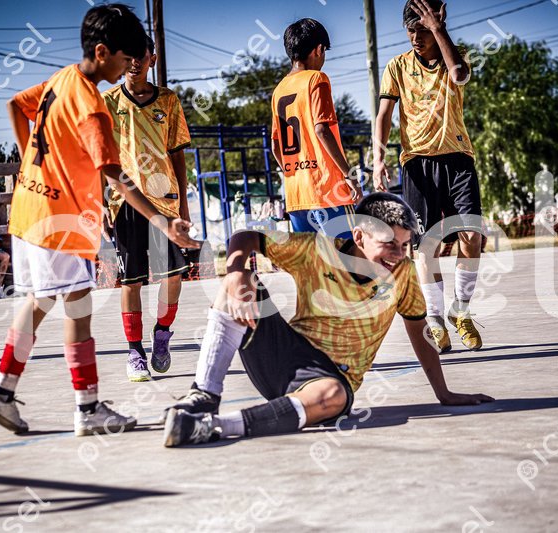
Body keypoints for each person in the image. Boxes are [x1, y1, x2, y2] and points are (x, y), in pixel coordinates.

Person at [0, 4, 200, 437]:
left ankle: (3, 392)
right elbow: (116, 175)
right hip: (62, 217)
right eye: (124, 58)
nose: (127, 67)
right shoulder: (95, 105)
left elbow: (15, 105)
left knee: (39, 302)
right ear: (103, 52)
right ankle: (87, 407)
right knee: (77, 308)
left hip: (29, 207)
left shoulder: (61, 79)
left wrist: (31, 163)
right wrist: (163, 222)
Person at [162, 192, 492, 447]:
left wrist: (443, 393)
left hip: (330, 379)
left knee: (334, 395)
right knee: (241, 283)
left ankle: (209, 427)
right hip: (285, 356)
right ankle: (204, 395)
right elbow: (247, 236)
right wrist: (235, 272)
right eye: (389, 244)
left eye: (405, 245)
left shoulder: (403, 273)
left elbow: (419, 332)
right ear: (359, 237)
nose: (398, 254)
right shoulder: (316, 250)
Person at [373, 0, 484, 352]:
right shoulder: (397, 66)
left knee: (472, 236)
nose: (415, 37)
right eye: (410, 30)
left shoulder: (457, 56)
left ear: (438, 24)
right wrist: (378, 158)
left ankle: (461, 311)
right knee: (426, 245)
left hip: (458, 159)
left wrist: (438, 28)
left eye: (422, 30)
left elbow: (460, 76)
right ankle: (435, 319)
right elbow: (384, 115)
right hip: (417, 163)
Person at [102, 35, 193, 382]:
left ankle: (162, 332)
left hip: (165, 201)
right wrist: (100, 204)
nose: (135, 62)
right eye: (128, 56)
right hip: (124, 203)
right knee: (132, 280)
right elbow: (101, 160)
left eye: (141, 56)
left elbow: (178, 154)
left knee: (173, 275)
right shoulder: (108, 102)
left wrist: (184, 205)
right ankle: (134, 352)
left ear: (152, 59)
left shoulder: (168, 100)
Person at [271, 18, 363, 239]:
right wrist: (349, 175)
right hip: (327, 190)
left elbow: (275, 146)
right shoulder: (316, 79)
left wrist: (296, 173)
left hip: (296, 195)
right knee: (347, 255)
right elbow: (321, 129)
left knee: (311, 260)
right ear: (319, 49)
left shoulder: (279, 90)